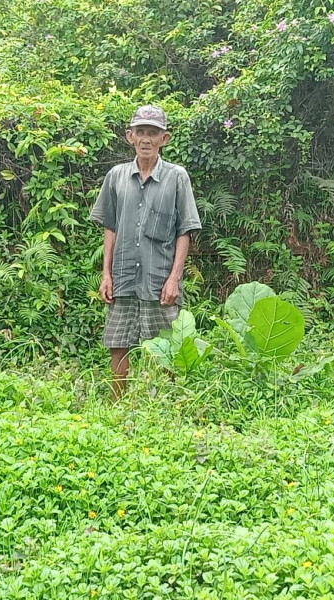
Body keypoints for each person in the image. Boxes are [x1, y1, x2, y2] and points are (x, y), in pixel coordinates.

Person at [90, 105, 201, 398]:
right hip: (123, 277)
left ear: (164, 138)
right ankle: (118, 404)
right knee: (118, 343)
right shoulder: (116, 177)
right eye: (140, 132)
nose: (146, 139)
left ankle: (165, 407)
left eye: (153, 133)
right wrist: (106, 275)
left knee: (166, 346)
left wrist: (174, 278)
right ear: (130, 136)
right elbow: (110, 228)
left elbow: (185, 230)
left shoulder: (177, 177)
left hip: (159, 279)